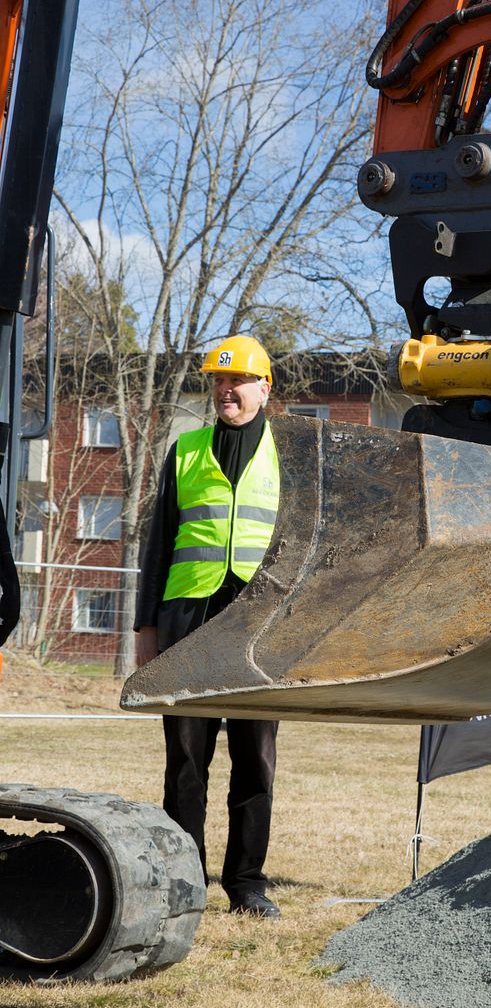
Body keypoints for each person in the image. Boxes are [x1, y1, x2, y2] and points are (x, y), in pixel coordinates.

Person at [134, 335, 281, 918]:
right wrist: (147, 629)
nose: (226, 389)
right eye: (218, 380)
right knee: (187, 759)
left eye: (238, 380)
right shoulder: (186, 449)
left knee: (256, 758)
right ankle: (185, 877)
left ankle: (246, 884)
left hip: (258, 622)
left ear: (264, 388)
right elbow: (158, 543)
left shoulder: (288, 452)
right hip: (187, 617)